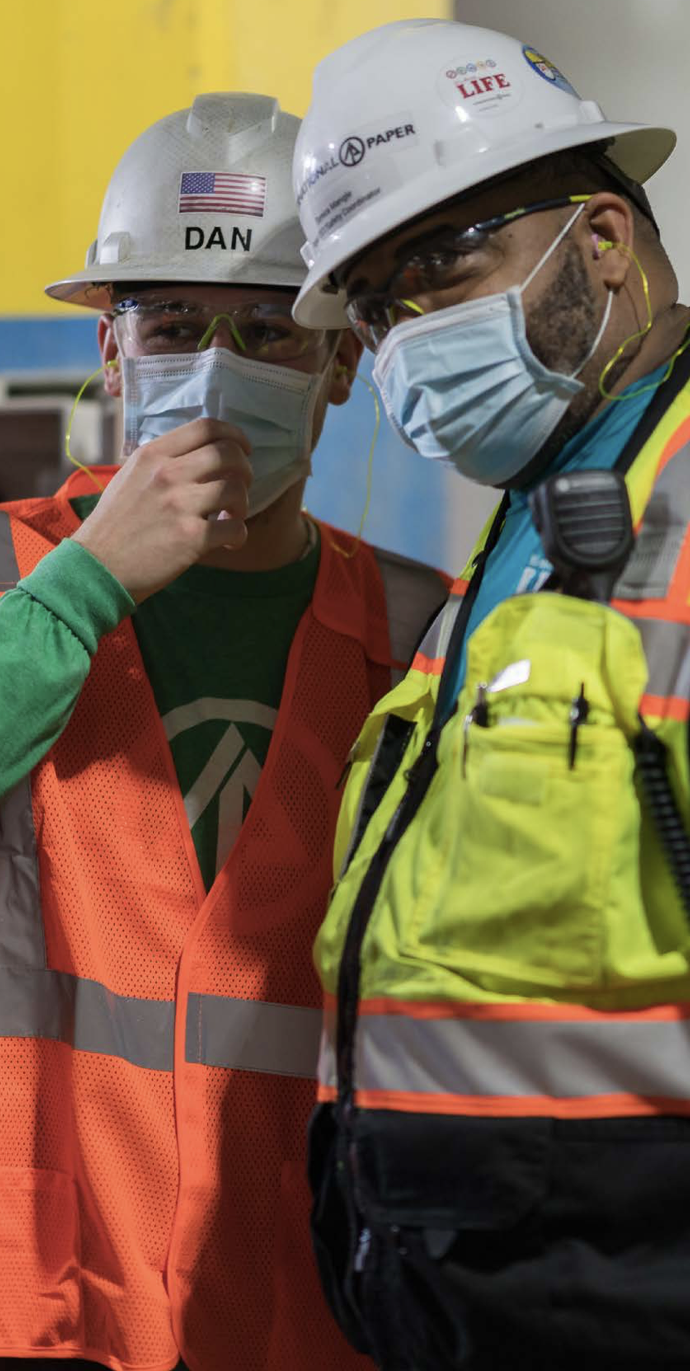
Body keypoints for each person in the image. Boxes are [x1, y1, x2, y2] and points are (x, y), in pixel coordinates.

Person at [0, 93, 448, 1371]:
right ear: (109, 345)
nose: (214, 367)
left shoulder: (419, 630)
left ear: (348, 362)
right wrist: (88, 584)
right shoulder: (15, 575)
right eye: (173, 324)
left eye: (270, 333)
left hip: (301, 1302)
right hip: (49, 1286)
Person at [290, 18, 690, 1371]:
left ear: (599, 241)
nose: (406, 333)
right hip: (461, 1291)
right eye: (375, 300)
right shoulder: (518, 531)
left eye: (442, 262)